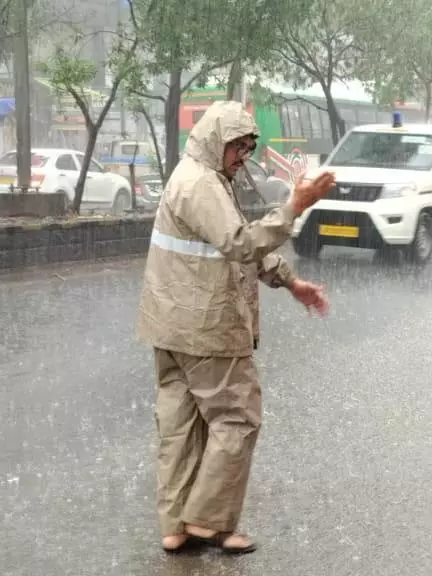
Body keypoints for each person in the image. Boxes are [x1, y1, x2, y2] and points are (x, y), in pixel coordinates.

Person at [136, 100, 336, 554]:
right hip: (206, 327)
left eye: (249, 147)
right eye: (237, 146)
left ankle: (176, 527)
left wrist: (291, 282)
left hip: (170, 327)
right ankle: (208, 520)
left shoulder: (195, 177)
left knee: (181, 427)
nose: (243, 155)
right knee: (237, 417)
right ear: (216, 141)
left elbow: (230, 243)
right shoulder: (202, 184)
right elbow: (241, 243)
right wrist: (295, 206)